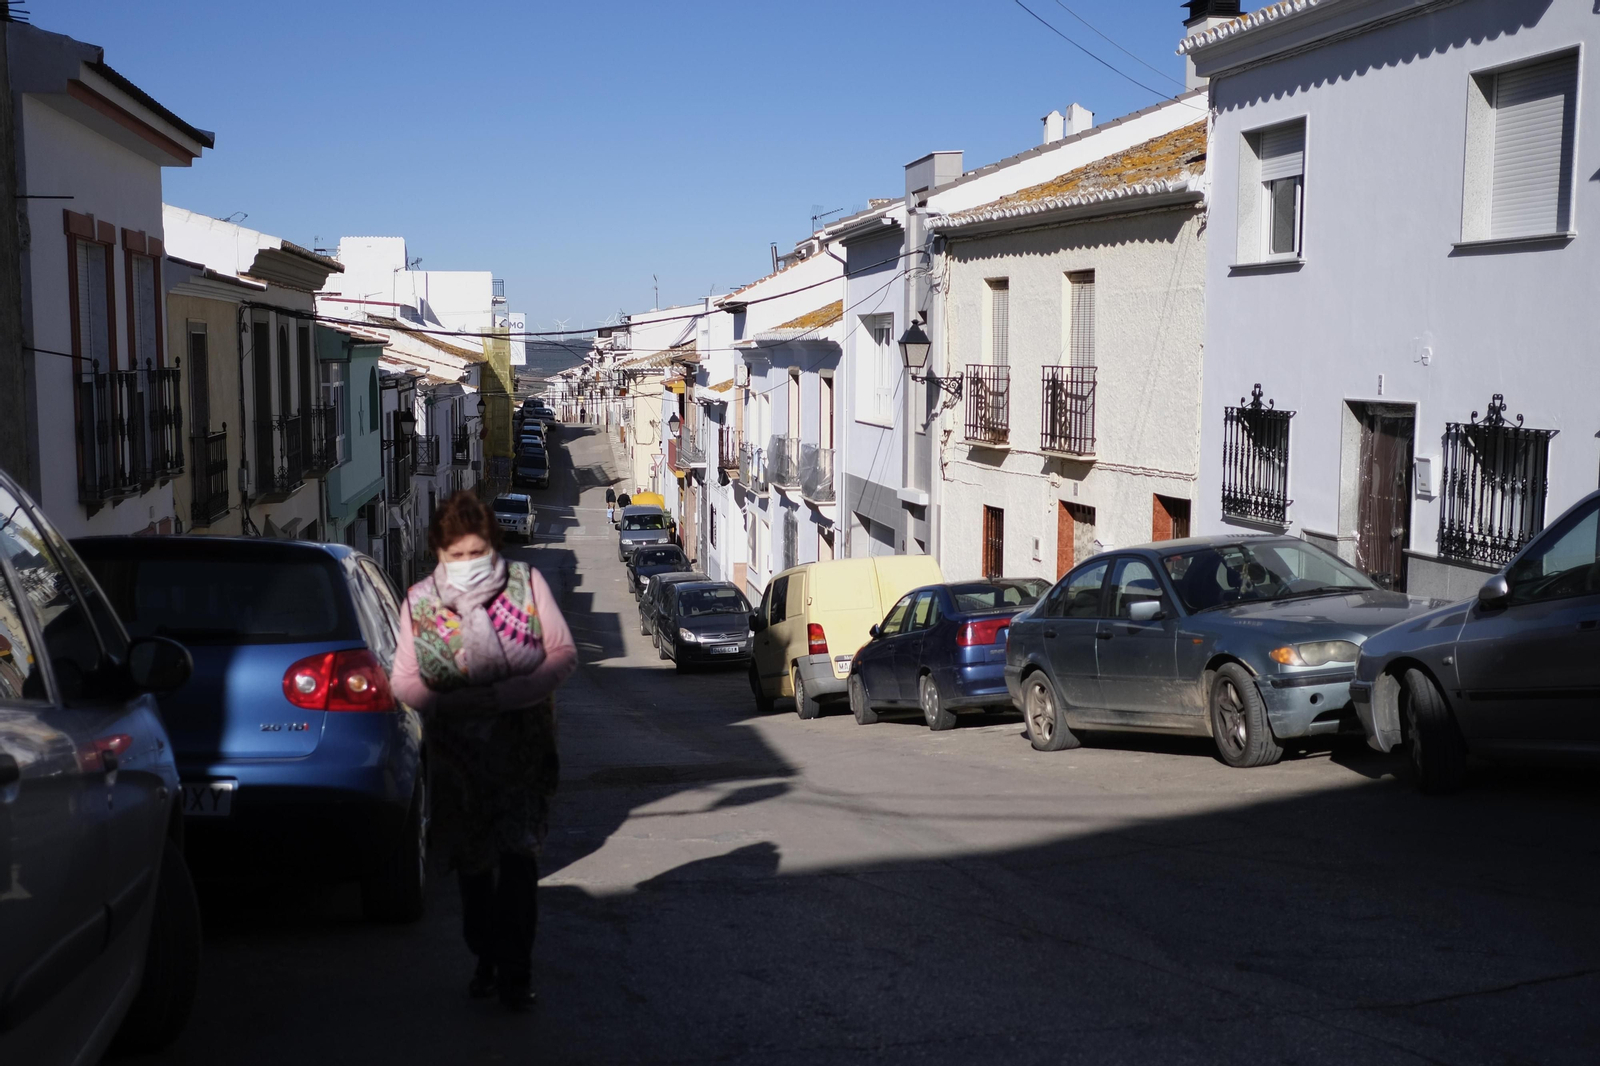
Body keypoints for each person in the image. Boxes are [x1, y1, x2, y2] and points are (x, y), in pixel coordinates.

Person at [389, 491, 577, 1010]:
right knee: (473, 870)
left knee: (519, 864)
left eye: (477, 553)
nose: (468, 566)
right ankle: (486, 956)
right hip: (459, 764)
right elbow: (403, 682)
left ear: (491, 546)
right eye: (457, 556)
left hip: (523, 751)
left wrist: (505, 694)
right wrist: (449, 695)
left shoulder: (526, 585)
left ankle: (515, 974)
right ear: (439, 553)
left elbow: (562, 655)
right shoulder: (421, 603)